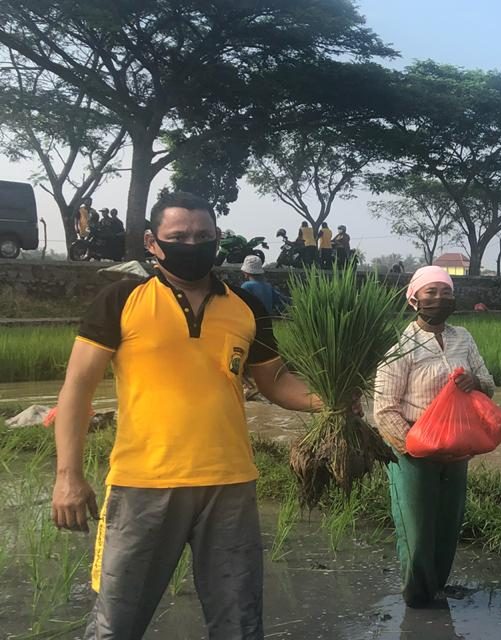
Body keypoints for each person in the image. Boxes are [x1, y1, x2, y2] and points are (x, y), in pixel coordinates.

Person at [51, 191, 331, 640]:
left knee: (238, 624)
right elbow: (76, 391)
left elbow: (275, 383)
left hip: (230, 485)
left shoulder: (246, 308)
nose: (192, 243)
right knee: (115, 626)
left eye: (203, 235)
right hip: (143, 484)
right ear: (152, 242)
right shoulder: (122, 299)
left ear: (217, 238)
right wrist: (68, 475)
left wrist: (331, 399)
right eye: (178, 236)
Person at [373, 266, 496, 608]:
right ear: (413, 299)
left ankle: (437, 588)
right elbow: (384, 408)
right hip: (415, 452)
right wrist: (415, 445)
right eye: (430, 292)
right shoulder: (401, 346)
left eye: (445, 291)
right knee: (416, 530)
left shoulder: (463, 338)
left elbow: (489, 384)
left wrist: (475, 382)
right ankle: (416, 597)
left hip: (457, 450)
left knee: (447, 525)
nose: (439, 298)